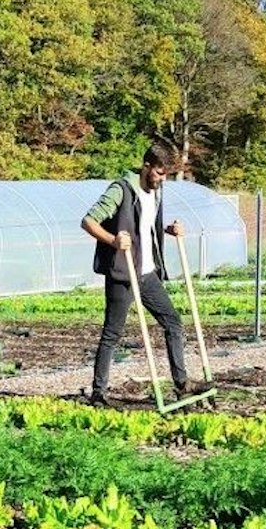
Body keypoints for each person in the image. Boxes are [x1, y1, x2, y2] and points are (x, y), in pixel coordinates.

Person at [81, 138, 200, 406]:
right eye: (159, 173)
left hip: (147, 273)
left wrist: (168, 230)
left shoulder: (156, 192)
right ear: (146, 166)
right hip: (123, 273)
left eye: (166, 175)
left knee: (173, 322)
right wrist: (113, 240)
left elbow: (144, 226)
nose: (162, 179)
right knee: (112, 333)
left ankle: (182, 384)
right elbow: (88, 220)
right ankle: (98, 393)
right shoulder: (121, 190)